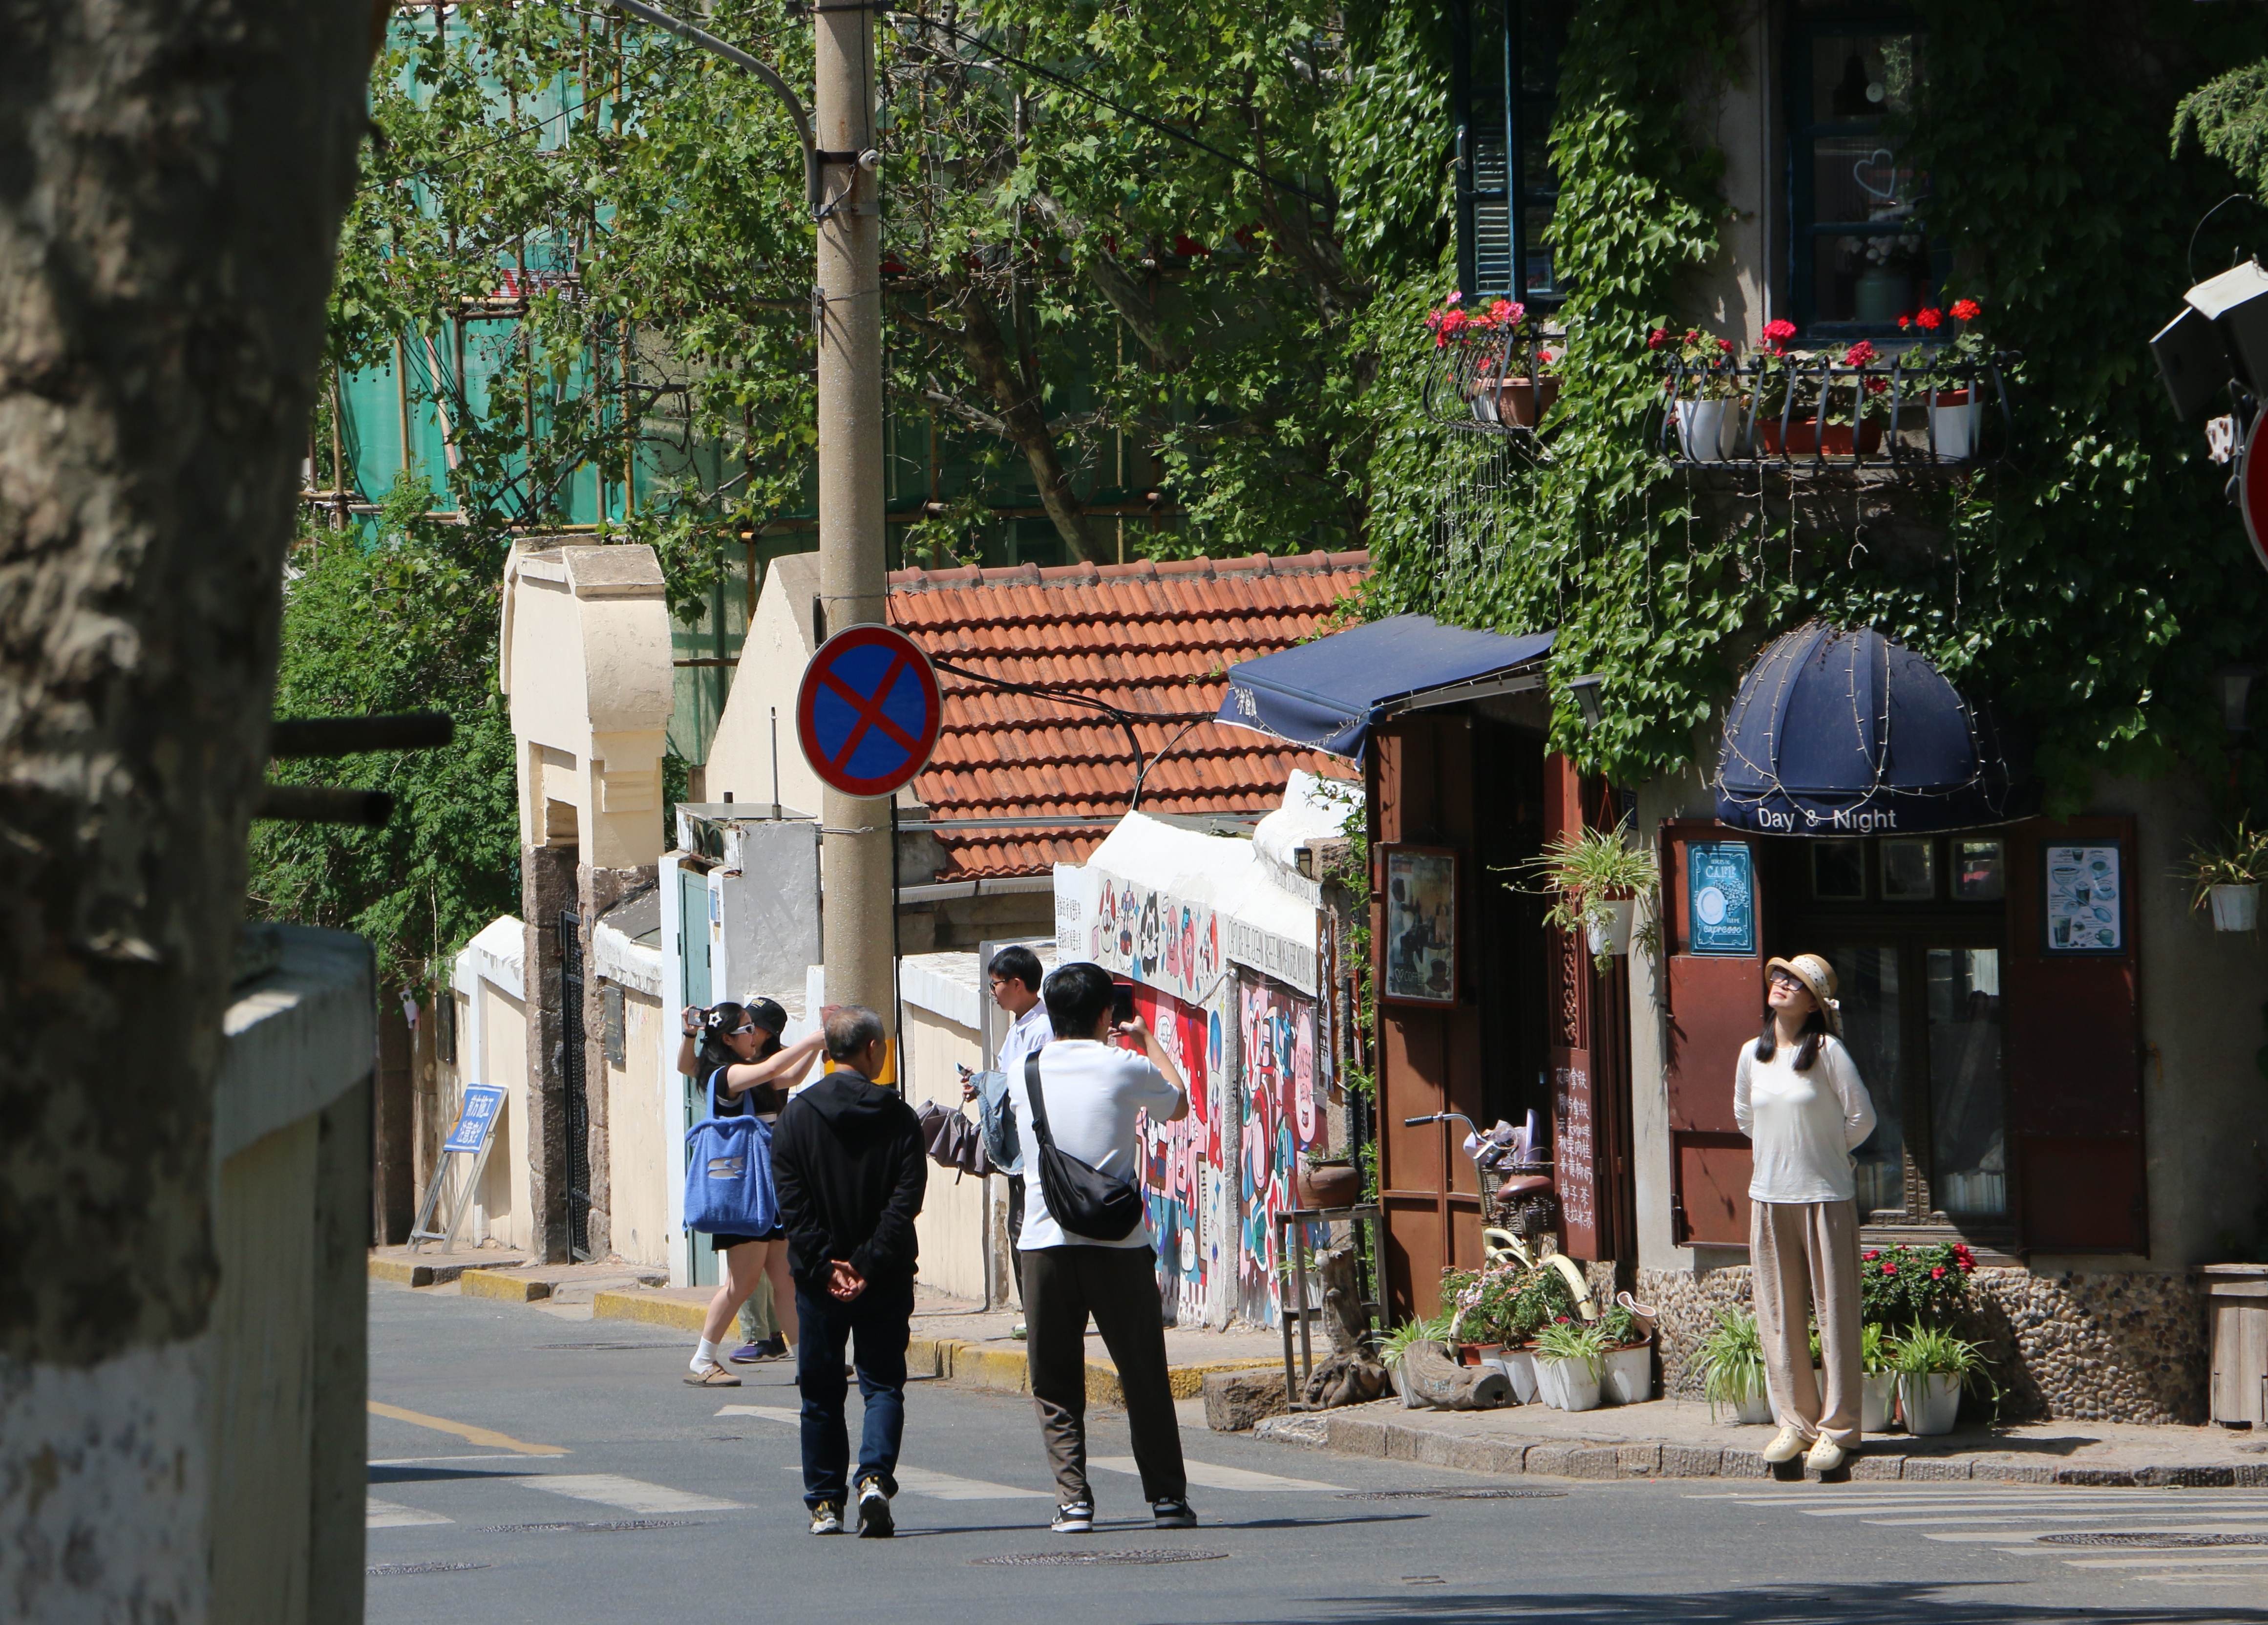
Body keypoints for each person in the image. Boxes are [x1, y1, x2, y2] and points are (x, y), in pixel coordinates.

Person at [1010, 961, 1195, 1535]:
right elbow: (1180, 1104)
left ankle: (1073, 1501)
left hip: (1044, 1241)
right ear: (1103, 1014)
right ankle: (1166, 1497)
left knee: (1054, 1379)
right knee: (1143, 1372)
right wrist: (1147, 1040)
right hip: (1118, 1242)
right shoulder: (1125, 1065)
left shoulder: (1024, 1068)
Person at [772, 1005, 928, 1538]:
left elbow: (792, 1206)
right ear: (872, 1050)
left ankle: (823, 1503)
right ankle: (874, 1478)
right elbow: (906, 1199)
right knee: (882, 1384)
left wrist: (826, 1265)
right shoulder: (898, 1114)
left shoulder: (796, 1116)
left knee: (819, 1392)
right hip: (883, 1275)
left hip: (818, 1282)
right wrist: (865, 1263)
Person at [1735, 953, 1879, 1474]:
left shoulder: (1829, 1052)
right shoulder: (1751, 1053)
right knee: (1777, 1314)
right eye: (1778, 975)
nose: (1781, 983)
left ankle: (1837, 1428)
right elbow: (1745, 1118)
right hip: (1769, 1196)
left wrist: (1822, 1151)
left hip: (1824, 1195)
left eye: (1795, 981)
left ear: (1814, 1001)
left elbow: (1861, 1118)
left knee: (1835, 1312)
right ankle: (1795, 1421)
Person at [679, 1000, 826, 1388]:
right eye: (746, 1030)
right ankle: (702, 1359)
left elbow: (787, 1074)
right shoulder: (727, 1076)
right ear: (727, 1039)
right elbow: (776, 1068)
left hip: (766, 1195)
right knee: (740, 1284)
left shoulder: (747, 1072)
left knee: (786, 1280)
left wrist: (816, 1046)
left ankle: (806, 1361)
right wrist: (814, 1038)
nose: (753, 1036)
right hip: (742, 1196)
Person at [961, 944, 1049, 1335]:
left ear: (1017, 984)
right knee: (1019, 1228)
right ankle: (1034, 1311)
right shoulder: (1020, 1025)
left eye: (995, 985)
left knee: (1026, 1228)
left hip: (1033, 1149)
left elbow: (1029, 1084)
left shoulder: (1042, 1028)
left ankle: (1040, 1313)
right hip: (1019, 1150)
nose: (992, 993)